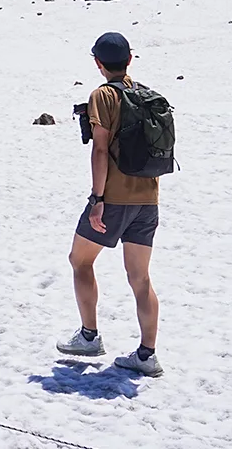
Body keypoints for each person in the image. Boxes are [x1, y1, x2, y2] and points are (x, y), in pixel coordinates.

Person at [55, 31, 163, 376]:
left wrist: (98, 199)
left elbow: (100, 148)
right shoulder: (143, 94)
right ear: (130, 59)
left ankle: (89, 336)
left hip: (113, 198)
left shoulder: (103, 95)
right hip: (148, 198)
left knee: (80, 260)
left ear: (98, 63)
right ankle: (147, 356)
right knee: (140, 277)